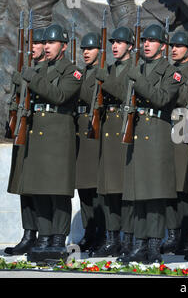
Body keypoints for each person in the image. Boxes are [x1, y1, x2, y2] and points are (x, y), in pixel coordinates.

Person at [111, 23, 182, 264]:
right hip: (138, 132)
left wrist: (137, 79)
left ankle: (153, 244)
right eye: (145, 41)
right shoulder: (137, 68)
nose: (147, 45)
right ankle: (139, 243)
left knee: (155, 195)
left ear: (162, 46)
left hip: (157, 133)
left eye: (152, 41)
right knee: (138, 193)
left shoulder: (172, 72)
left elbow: (161, 98)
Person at [13, 24, 82, 260]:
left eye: (52, 43)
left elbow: (59, 95)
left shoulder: (73, 72)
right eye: (46, 43)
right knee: (39, 189)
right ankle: (43, 236)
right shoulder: (40, 69)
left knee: (58, 191)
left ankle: (57, 238)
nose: (47, 47)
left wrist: (32, 78)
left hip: (58, 135)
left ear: (63, 46)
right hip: (39, 133)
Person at [89, 26, 134, 259]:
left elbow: (123, 91)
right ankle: (112, 237)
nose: (115, 46)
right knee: (108, 190)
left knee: (124, 190)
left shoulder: (134, 69)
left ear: (130, 46)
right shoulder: (108, 68)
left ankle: (127, 239)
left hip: (123, 130)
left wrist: (104, 80)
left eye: (120, 42)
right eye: (113, 42)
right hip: (108, 129)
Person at [5, 27, 46, 256]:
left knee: (38, 188)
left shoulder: (43, 71)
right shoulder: (27, 69)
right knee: (24, 187)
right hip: (23, 132)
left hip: (37, 135)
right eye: (32, 44)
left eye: (37, 43)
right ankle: (28, 234)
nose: (33, 47)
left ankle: (42, 234)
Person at [161, 30, 188, 260]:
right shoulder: (169, 70)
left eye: (179, 46)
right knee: (169, 185)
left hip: (184, 127)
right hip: (168, 128)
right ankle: (172, 234)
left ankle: (184, 237)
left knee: (184, 188)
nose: (174, 49)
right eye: (172, 45)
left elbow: (186, 98)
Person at [75, 32, 105, 253]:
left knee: (96, 189)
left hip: (96, 133)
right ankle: (88, 232)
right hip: (81, 132)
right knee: (84, 188)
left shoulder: (101, 73)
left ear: (99, 51)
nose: (86, 52)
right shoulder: (81, 73)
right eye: (84, 49)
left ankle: (101, 234)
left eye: (90, 48)